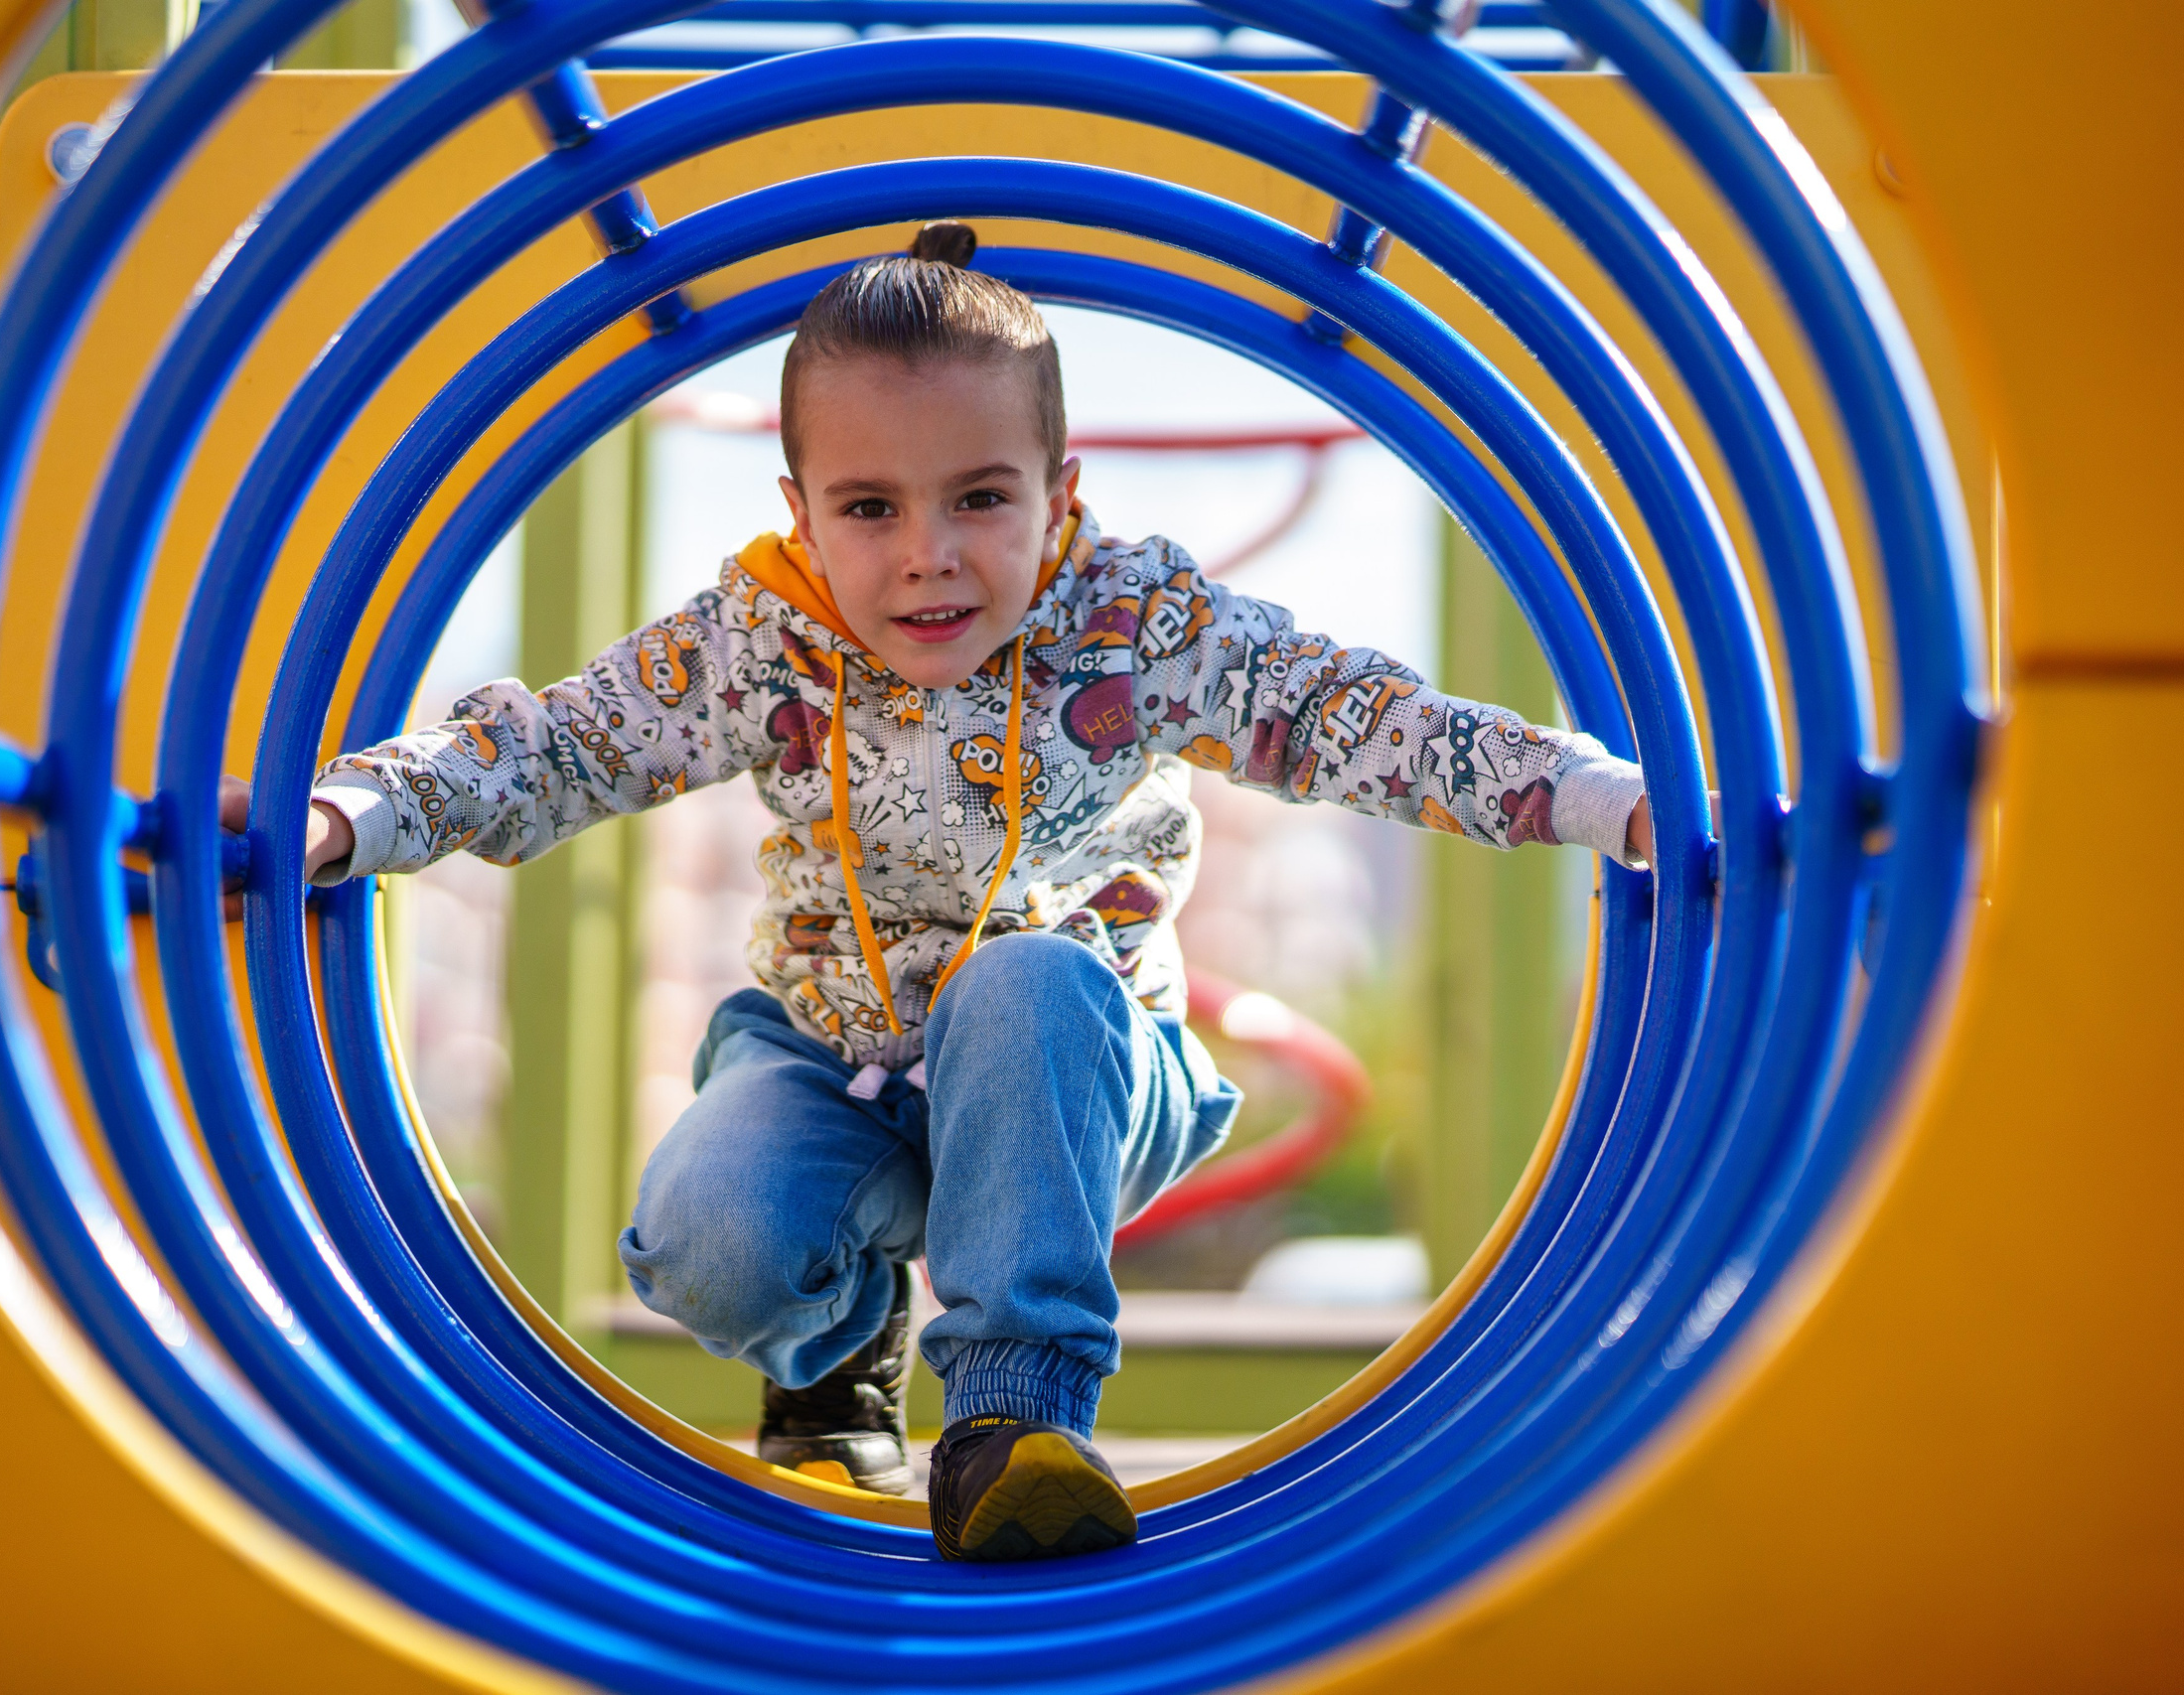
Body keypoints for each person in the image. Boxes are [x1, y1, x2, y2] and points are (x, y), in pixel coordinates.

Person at [279, 222, 1651, 1563]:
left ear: (1060, 492)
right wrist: (355, 809)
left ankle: (1012, 1424)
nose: (928, 552)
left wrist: (1606, 798)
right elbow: (559, 742)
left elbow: (1361, 716)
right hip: (841, 1065)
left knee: (1030, 975)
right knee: (712, 1238)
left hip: (1084, 1072)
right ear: (802, 513)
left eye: (980, 498)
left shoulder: (1136, 628)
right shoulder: (767, 641)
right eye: (870, 507)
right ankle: (834, 1366)